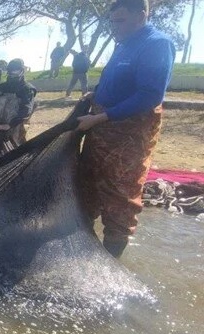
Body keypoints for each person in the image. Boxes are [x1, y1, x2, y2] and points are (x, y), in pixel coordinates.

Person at [75, 0, 175, 258]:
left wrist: (102, 117)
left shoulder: (156, 44)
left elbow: (149, 95)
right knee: (86, 188)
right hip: (101, 133)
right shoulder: (124, 45)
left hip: (127, 138)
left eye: (120, 21)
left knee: (120, 198)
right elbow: (119, 82)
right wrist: (95, 94)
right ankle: (82, 254)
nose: (114, 27)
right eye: (112, 21)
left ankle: (111, 262)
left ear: (141, 16)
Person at [0, 58, 37, 161]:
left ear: (22, 71)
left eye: (16, 71)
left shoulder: (27, 89)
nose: (13, 73)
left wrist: (10, 125)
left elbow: (26, 110)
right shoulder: (2, 86)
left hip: (16, 125)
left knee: (13, 152)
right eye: (10, 71)